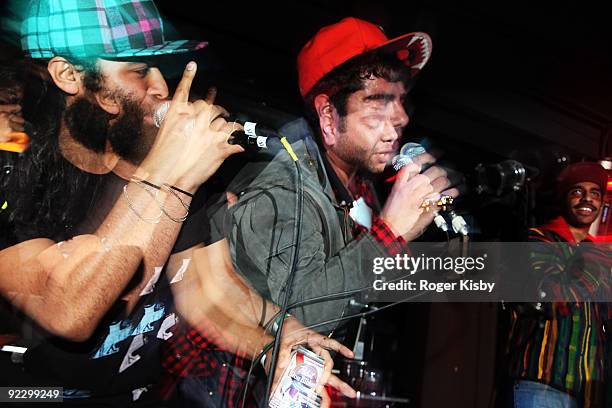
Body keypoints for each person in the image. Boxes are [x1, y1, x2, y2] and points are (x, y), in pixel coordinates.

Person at [0, 1, 352, 406]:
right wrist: (170, 173)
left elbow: (204, 286)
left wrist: (276, 335)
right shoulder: (17, 173)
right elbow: (69, 312)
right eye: (137, 70)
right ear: (68, 75)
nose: (161, 88)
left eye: (158, 68)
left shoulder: (155, 162)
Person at [210, 17, 458, 334]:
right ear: (329, 116)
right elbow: (299, 319)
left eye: (400, 99)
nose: (401, 117)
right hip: (216, 381)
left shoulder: (360, 187)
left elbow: (362, 287)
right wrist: (390, 232)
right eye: (379, 101)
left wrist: (415, 228)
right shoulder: (285, 189)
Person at [506, 161, 611, 408]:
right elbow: (552, 301)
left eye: (595, 193)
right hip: (542, 381)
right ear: (564, 198)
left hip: (589, 391)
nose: (587, 199)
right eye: (577, 191)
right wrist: (594, 259)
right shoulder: (539, 239)